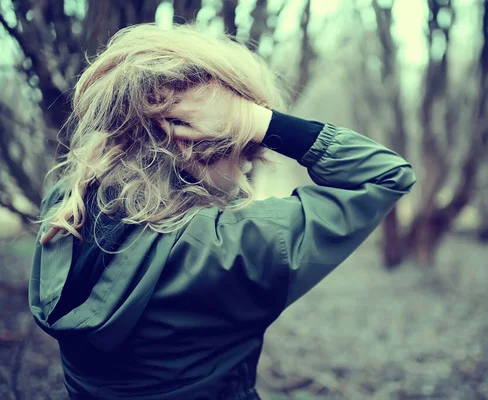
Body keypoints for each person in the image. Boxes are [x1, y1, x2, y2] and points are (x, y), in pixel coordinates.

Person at [29, 23, 416, 400]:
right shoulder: (233, 248)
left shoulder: (66, 209)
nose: (249, 165)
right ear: (194, 145)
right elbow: (385, 175)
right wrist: (261, 121)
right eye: (247, 148)